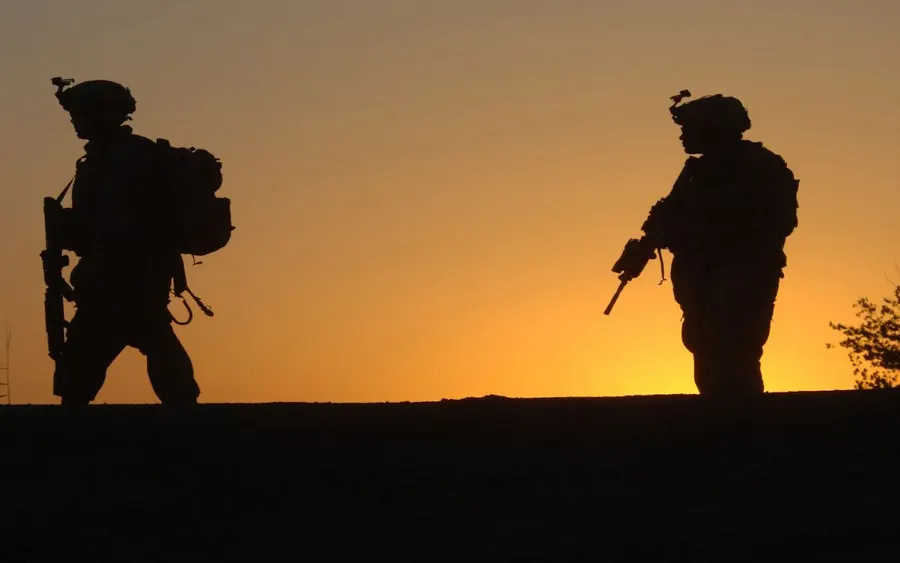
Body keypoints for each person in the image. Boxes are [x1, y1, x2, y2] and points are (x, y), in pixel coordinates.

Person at [51, 78, 200, 405]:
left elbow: (118, 223)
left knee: (92, 356)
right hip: (124, 275)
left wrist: (78, 232)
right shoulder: (103, 159)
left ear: (99, 114)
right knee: (151, 342)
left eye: (79, 113)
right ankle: (187, 414)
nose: (74, 120)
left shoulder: (125, 160)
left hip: (124, 274)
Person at [642, 91, 799, 398]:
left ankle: (741, 428)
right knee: (704, 350)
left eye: (690, 129)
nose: (683, 137)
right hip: (700, 278)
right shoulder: (696, 173)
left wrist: (703, 221)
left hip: (742, 275)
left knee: (735, 352)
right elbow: (673, 217)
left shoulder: (761, 167)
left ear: (713, 130)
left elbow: (778, 222)